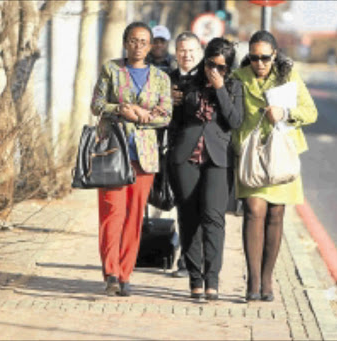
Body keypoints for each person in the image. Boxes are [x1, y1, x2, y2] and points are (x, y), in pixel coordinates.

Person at [231, 30, 317, 302]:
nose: (259, 63)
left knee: (276, 214)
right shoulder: (239, 79)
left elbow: (311, 112)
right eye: (254, 57)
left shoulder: (288, 77)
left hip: (281, 154)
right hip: (252, 156)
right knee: (254, 210)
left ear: (275, 55)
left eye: (265, 58)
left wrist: (286, 113)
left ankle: (268, 278)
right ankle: (253, 279)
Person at [90, 22, 172, 297]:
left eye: (144, 41)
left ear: (151, 46)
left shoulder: (161, 78)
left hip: (144, 156)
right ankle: (110, 273)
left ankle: (125, 274)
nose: (138, 46)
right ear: (125, 43)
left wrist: (146, 116)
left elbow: (166, 115)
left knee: (134, 217)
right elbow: (97, 105)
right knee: (112, 213)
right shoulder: (111, 70)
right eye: (133, 40)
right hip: (113, 151)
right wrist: (124, 110)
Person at [169, 37, 243, 300]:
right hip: (185, 158)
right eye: (211, 64)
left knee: (213, 218)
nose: (215, 70)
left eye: (222, 67)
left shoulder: (234, 86)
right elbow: (175, 123)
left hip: (218, 160)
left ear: (228, 67)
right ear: (205, 60)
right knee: (189, 219)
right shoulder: (186, 84)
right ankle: (194, 279)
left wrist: (220, 88)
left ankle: (212, 279)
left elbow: (235, 120)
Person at [168, 32, 204, 278]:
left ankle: (200, 261)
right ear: (176, 52)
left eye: (191, 50)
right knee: (185, 208)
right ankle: (187, 262)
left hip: (206, 154)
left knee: (207, 210)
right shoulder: (165, 80)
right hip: (178, 153)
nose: (186, 55)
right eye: (182, 50)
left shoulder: (208, 79)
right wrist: (167, 100)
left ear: (199, 53)